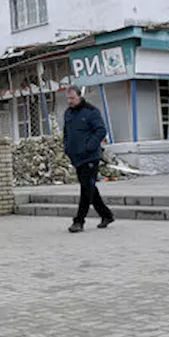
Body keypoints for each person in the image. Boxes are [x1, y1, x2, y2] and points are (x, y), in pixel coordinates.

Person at [63, 86, 114, 233]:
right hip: (76, 157)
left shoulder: (91, 111)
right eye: (68, 98)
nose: (70, 101)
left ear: (79, 96)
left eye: (72, 98)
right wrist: (67, 148)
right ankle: (106, 215)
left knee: (86, 189)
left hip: (90, 157)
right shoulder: (68, 113)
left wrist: (89, 146)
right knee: (90, 188)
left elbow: (101, 130)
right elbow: (66, 132)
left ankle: (79, 221)